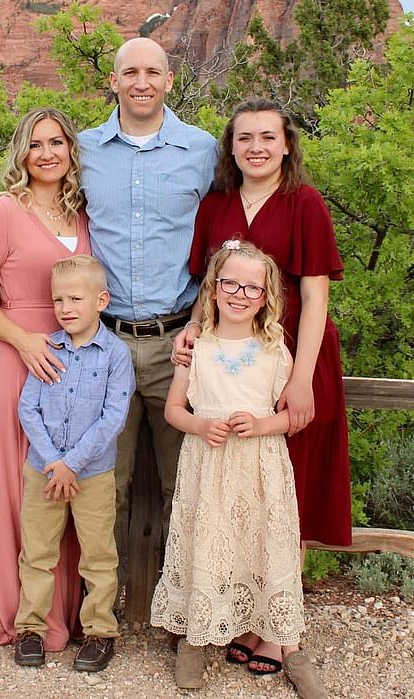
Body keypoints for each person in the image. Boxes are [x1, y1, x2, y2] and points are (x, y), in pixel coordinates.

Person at [178, 97, 352, 672]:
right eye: (244, 137)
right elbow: (206, 286)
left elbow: (317, 293)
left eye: (267, 137)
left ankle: (281, 629)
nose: (256, 146)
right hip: (231, 360)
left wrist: (301, 380)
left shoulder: (304, 203)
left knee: (286, 492)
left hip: (293, 358)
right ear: (230, 146)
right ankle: (247, 618)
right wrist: (191, 334)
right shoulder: (216, 205)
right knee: (243, 493)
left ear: (286, 144)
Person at [151, 242, 327, 699]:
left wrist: (262, 423)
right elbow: (173, 409)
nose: (240, 294)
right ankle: (195, 638)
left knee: (261, 547)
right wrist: (201, 423)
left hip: (259, 471)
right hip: (208, 470)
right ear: (214, 288)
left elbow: (292, 417)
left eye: (253, 287)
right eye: (231, 283)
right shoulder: (197, 348)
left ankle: (286, 643)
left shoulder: (274, 350)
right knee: (205, 547)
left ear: (266, 296)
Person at [78, 37, 218, 594]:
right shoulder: (84, 149)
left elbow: (225, 234)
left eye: (152, 72)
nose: (141, 82)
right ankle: (100, 616)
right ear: (113, 81)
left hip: (178, 342)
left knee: (185, 482)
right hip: (104, 344)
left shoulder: (203, 149)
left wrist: (208, 320)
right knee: (104, 486)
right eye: (129, 72)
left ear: (168, 80)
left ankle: (189, 609)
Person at [0, 108, 91, 649]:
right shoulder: (4, 211)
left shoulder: (82, 212)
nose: (46, 153)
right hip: (18, 361)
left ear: (70, 150)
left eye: (56, 142)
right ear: (22, 153)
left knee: (63, 486)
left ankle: (65, 612)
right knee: (16, 489)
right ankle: (17, 618)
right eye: (35, 144)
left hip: (73, 365)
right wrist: (22, 339)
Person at [14, 255, 134, 672]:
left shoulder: (115, 355)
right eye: (58, 299)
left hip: (93, 474)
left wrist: (73, 463)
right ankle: (30, 628)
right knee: (37, 552)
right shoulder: (47, 347)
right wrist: (53, 461)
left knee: (99, 555)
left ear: (101, 300)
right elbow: (28, 407)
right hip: (44, 471)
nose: (65, 308)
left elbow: (113, 418)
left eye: (75, 298)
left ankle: (99, 632)